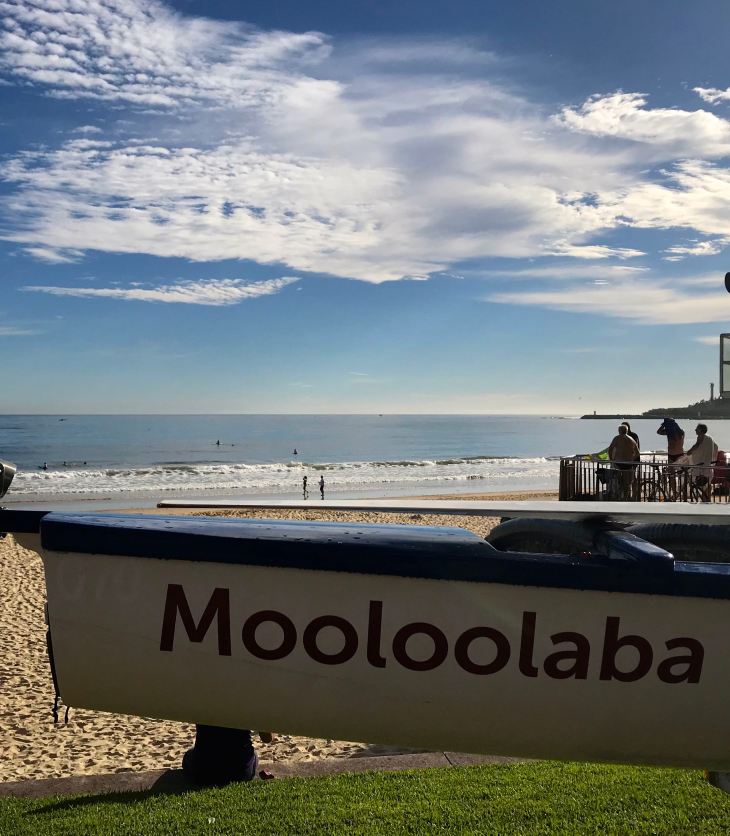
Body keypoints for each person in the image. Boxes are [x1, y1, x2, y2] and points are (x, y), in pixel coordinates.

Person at [685, 423, 718, 501]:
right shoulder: (710, 438)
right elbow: (716, 447)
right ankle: (707, 501)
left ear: (701, 430)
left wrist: (689, 452)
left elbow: (696, 445)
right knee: (707, 486)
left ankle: (704, 502)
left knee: (701, 485)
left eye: (697, 429)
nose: (695, 430)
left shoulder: (701, 437)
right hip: (708, 466)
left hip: (701, 468)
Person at [608, 425, 640, 500]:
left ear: (619, 431)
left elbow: (610, 449)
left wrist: (611, 459)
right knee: (627, 483)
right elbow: (637, 453)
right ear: (627, 431)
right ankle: (625, 498)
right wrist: (632, 459)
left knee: (617, 481)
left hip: (618, 463)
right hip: (628, 464)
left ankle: (618, 497)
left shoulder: (616, 438)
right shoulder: (631, 439)